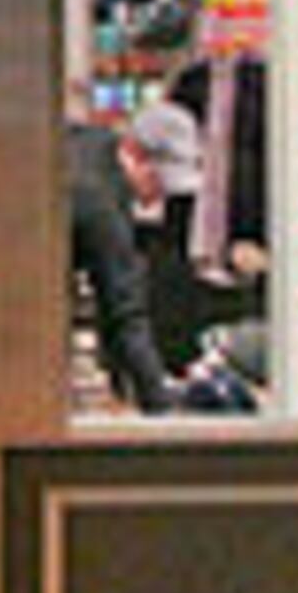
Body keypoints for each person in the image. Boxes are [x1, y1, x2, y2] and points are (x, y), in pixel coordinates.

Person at [67, 97, 206, 414]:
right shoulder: (101, 202)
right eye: (158, 182)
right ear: (136, 156)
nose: (157, 198)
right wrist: (158, 403)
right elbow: (125, 312)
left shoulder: (83, 145)